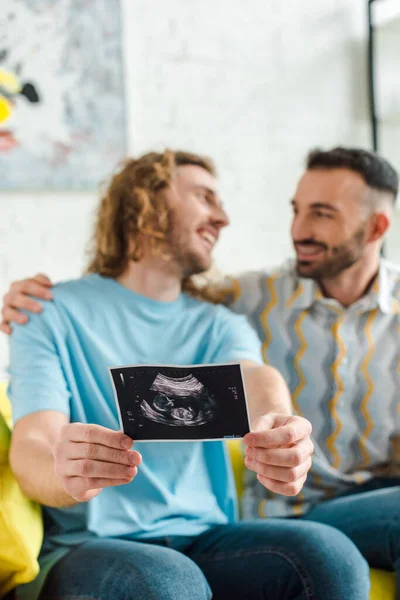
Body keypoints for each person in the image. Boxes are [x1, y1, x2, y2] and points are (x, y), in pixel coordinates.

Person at [1, 149, 370, 600]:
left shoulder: (218, 324)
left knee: (328, 555)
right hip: (91, 547)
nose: (223, 218)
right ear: (144, 204)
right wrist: (65, 474)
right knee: (167, 581)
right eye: (205, 198)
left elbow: (254, 377)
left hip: (206, 538)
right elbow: (33, 445)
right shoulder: (48, 312)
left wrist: (279, 423)